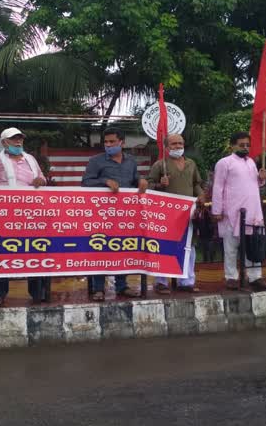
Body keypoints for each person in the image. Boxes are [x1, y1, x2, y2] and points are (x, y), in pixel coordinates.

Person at [0, 127, 47, 307]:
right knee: (1, 252)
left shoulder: (31, 160)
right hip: (4, 216)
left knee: (35, 250)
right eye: (14, 139)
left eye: (20, 139)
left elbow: (42, 178)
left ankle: (38, 292)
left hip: (31, 214)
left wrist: (41, 181)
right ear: (4, 142)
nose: (18, 142)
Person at [81, 127, 148, 301]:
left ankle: (122, 286)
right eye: (106, 142)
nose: (108, 145)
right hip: (102, 214)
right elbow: (86, 182)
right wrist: (105, 182)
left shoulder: (131, 161)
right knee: (100, 248)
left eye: (112, 142)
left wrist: (141, 181)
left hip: (125, 214)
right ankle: (98, 288)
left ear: (122, 143)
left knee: (123, 247)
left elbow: (135, 180)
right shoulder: (95, 161)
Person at [211, 131, 266, 291]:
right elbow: (218, 187)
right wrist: (217, 210)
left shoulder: (251, 162)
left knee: (254, 245)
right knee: (231, 247)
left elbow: (254, 184)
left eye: (247, 145)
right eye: (241, 145)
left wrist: (261, 178)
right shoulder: (224, 163)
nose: (245, 148)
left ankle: (255, 277)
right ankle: (231, 277)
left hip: (252, 211)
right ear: (232, 145)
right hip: (232, 211)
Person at [147, 133, 205, 294]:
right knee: (164, 246)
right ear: (166, 147)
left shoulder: (191, 164)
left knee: (188, 245)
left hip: (187, 213)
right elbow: (148, 186)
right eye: (173, 144)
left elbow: (197, 184)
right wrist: (160, 184)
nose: (177, 146)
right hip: (166, 213)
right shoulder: (160, 165)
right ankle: (161, 282)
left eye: (180, 143)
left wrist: (200, 195)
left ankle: (186, 281)